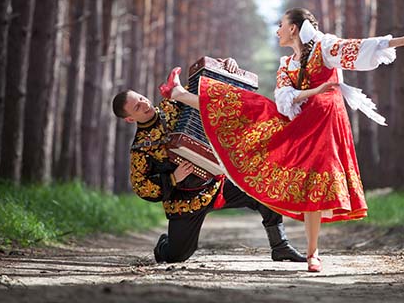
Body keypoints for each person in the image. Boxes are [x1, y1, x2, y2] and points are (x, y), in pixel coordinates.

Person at [162, 8, 404, 272]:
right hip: (301, 121)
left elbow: (356, 48)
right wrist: (313, 90)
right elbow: (286, 99)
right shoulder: (287, 64)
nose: (277, 30)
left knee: (316, 182)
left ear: (293, 28)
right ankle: (178, 93)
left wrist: (398, 41)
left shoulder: (323, 47)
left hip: (326, 121)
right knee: (250, 106)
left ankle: (312, 253)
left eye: (281, 24)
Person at [111, 59, 306, 264]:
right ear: (130, 119)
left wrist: (227, 66)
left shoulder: (173, 103)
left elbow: (205, 85)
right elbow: (141, 186)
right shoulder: (141, 148)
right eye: (136, 107)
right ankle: (164, 245)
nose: (144, 104)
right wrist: (172, 178)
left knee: (261, 187)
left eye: (141, 98)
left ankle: (280, 246)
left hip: (217, 182)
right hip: (185, 202)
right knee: (176, 256)